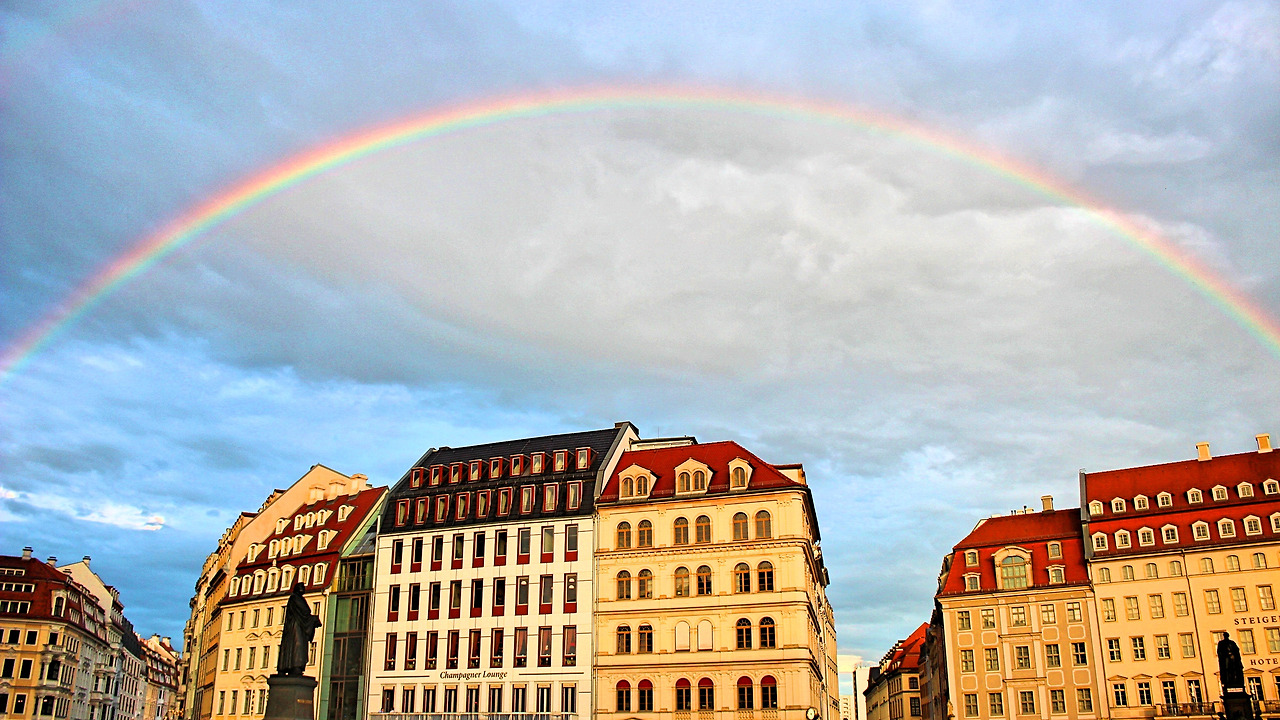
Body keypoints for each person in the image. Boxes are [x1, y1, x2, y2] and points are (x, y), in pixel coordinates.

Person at [277, 583, 322, 676]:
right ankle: (295, 666)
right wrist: (313, 619)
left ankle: (293, 666)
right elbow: (305, 611)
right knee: (297, 646)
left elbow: (305, 613)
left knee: (296, 646)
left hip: (296, 626)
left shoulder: (296, 598)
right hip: (296, 626)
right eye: (302, 587)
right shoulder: (295, 598)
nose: (303, 589)